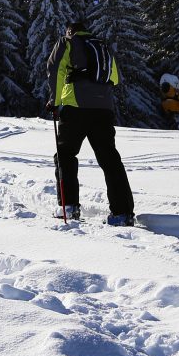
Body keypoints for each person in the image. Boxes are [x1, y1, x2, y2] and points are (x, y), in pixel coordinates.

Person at [47, 20, 136, 226]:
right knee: (110, 159)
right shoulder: (102, 46)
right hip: (104, 109)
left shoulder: (67, 42)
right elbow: (114, 77)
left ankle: (68, 207)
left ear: (70, 30)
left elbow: (56, 70)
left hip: (76, 107)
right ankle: (122, 213)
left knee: (65, 154)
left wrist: (55, 101)